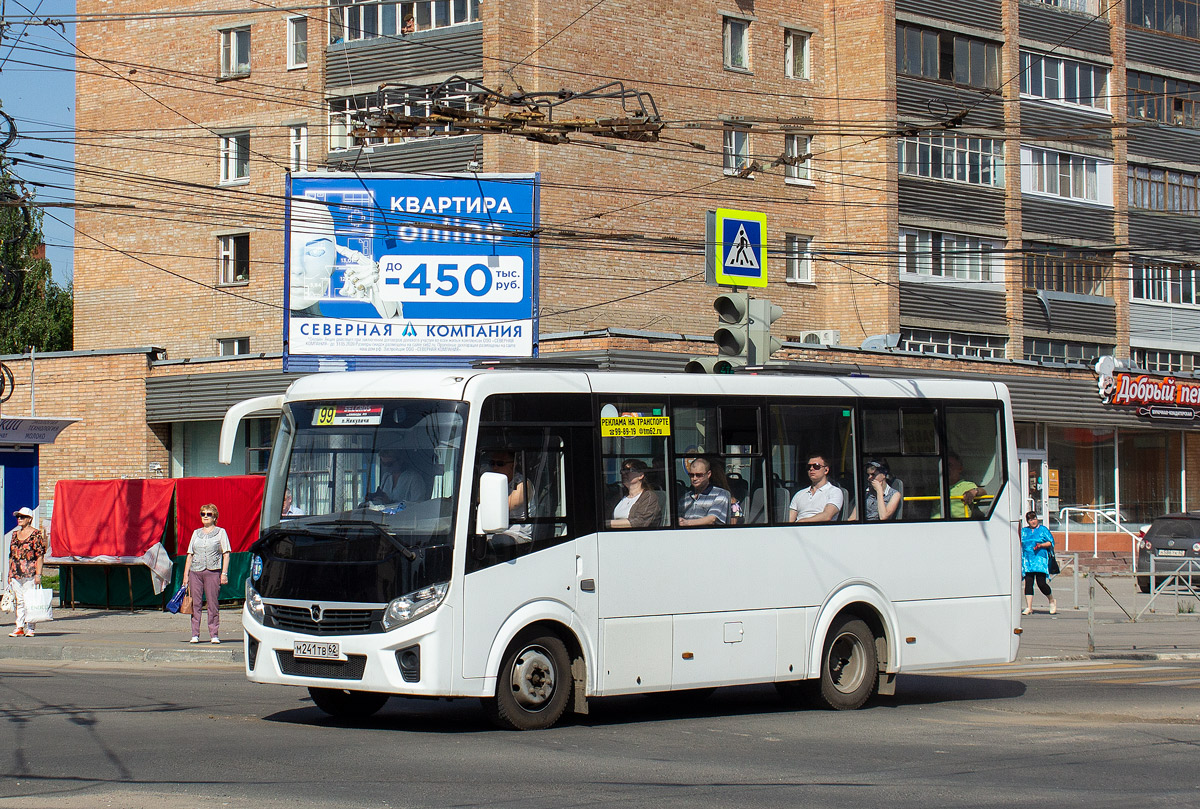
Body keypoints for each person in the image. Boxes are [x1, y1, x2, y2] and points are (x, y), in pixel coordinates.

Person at [182, 504, 231, 644]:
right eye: (203, 513)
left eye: (208, 514)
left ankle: (214, 634)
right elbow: (190, 555)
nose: (205, 516)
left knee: (212, 603)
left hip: (212, 571)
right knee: (195, 604)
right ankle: (195, 633)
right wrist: (185, 576)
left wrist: (224, 573)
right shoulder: (196, 533)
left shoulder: (221, 532)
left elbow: (226, 554)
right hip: (195, 572)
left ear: (214, 516)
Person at [6, 507, 46, 638]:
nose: (19, 519)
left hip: (30, 572)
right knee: (19, 600)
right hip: (16, 572)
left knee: (30, 600)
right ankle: (19, 626)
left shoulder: (36, 535)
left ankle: (30, 627)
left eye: (22, 517)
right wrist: (9, 573)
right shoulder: (14, 535)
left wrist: (38, 574)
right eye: (18, 517)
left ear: (29, 519)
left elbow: (39, 555)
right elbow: (11, 555)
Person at [488, 450, 532, 540]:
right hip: (493, 532)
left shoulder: (522, 484)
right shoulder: (491, 482)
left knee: (499, 540)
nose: (495, 468)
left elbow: (503, 508)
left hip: (517, 535)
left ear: (513, 465)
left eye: (500, 463)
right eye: (492, 463)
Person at [789, 454, 844, 523]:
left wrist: (802, 522)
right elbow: (789, 520)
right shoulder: (799, 494)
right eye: (809, 466)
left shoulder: (834, 492)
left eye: (816, 466)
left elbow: (827, 516)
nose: (811, 469)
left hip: (822, 531)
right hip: (798, 532)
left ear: (826, 470)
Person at [1021, 510, 1057, 615]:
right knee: (1028, 583)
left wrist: (1041, 545)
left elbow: (1051, 542)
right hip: (1027, 561)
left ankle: (1051, 600)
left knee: (1041, 583)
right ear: (1027, 521)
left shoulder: (1043, 530)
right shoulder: (1024, 531)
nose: (1033, 521)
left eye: (1034, 519)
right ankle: (1029, 607)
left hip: (1040, 560)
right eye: (1031, 519)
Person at [609, 459, 662, 529]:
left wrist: (607, 524)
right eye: (622, 470)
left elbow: (639, 522)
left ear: (641, 475)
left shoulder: (649, 497)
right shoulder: (619, 497)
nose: (624, 473)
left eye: (629, 470)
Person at [678, 457, 731, 527]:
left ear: (708, 474)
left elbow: (712, 519)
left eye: (699, 475)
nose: (694, 478)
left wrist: (687, 523)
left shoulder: (721, 494)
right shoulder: (685, 497)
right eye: (691, 475)